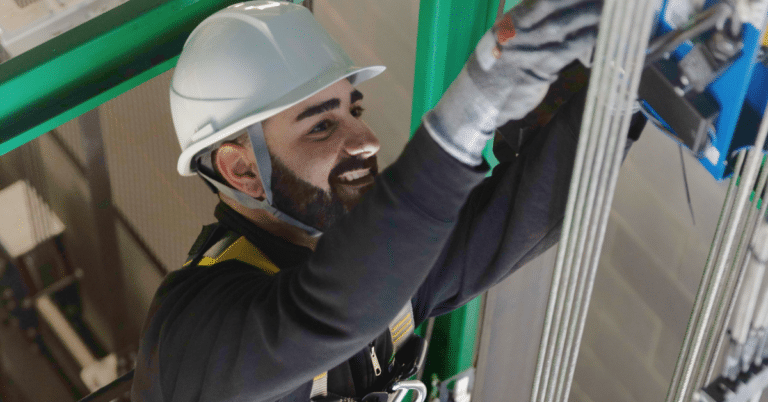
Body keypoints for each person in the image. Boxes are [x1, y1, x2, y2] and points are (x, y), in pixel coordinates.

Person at [131, 0, 643, 401]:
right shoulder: (192, 328)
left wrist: (629, 80)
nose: (366, 138)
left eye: (355, 110)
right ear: (241, 169)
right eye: (323, 126)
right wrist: (472, 110)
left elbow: (520, 215)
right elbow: (325, 315)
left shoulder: (377, 273)